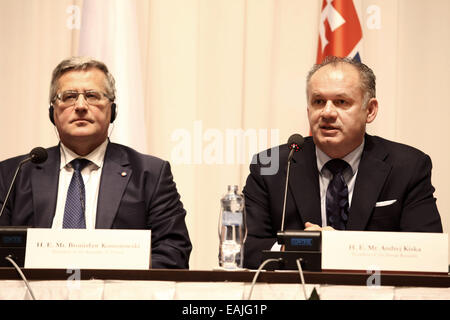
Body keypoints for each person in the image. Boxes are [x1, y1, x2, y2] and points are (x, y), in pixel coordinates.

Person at [242, 56, 443, 269]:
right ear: (308, 109)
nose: (327, 112)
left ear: (370, 110)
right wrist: (295, 247)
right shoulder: (270, 166)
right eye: (318, 101)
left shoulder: (408, 167)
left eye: (341, 102)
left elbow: (427, 252)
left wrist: (340, 247)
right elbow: (246, 248)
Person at [0, 57, 192, 269]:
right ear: (52, 113)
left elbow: (173, 252)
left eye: (92, 96)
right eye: (69, 97)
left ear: (113, 111)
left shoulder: (150, 174)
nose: (81, 106)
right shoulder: (13, 174)